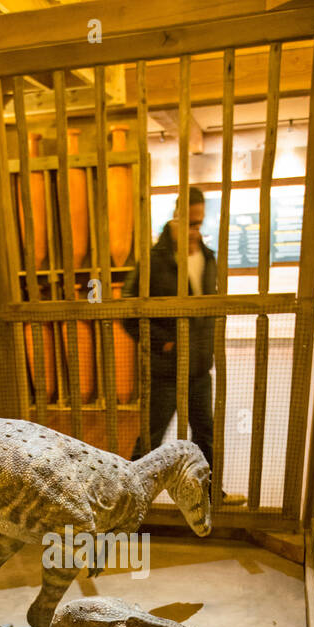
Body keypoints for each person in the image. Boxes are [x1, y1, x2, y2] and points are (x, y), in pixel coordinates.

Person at [122, 187, 216, 469]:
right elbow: (128, 310)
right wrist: (161, 343)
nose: (193, 230)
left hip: (199, 367)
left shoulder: (208, 257)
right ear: (176, 216)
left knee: (205, 437)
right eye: (188, 223)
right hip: (166, 369)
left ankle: (210, 496)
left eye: (198, 223)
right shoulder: (155, 260)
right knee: (150, 439)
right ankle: (129, 497)